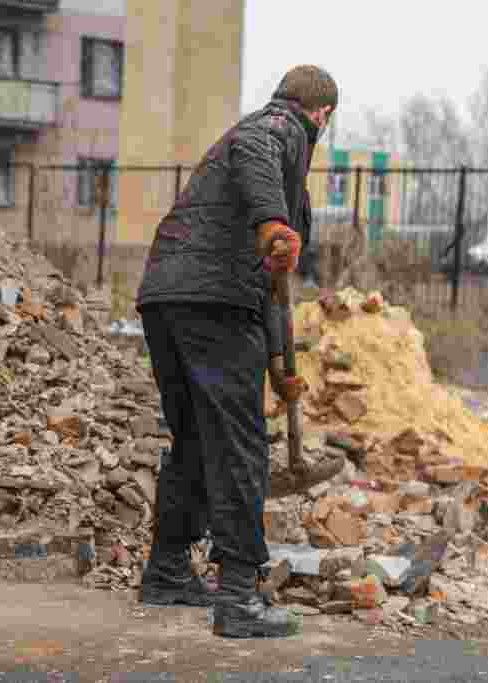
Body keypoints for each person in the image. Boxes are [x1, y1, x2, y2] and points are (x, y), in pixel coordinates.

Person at [134, 65, 337, 638]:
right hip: (214, 302)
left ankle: (169, 571)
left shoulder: (274, 170)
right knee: (240, 446)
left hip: (166, 297)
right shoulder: (280, 129)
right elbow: (255, 149)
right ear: (321, 114)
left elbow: (272, 289)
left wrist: (279, 368)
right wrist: (274, 221)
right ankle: (239, 598)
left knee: (196, 441)